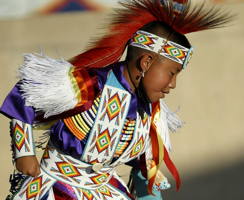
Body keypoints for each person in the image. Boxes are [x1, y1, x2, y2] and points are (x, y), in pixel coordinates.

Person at [0, 0, 233, 199]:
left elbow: (145, 168)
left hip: (104, 190)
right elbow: (25, 94)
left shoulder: (150, 112)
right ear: (146, 62)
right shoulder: (89, 85)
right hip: (56, 187)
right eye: (172, 73)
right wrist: (25, 153)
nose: (172, 84)